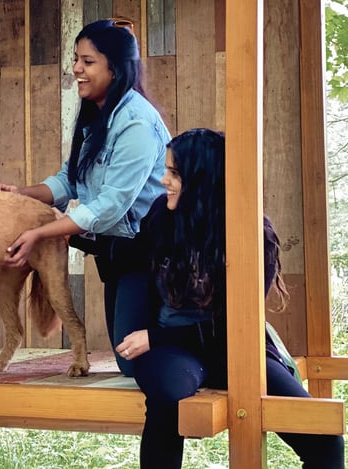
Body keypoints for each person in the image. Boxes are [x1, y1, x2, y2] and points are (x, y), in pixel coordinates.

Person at [114, 128, 345, 469]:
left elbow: (236, 325)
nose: (163, 180)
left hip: (234, 346)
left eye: (174, 173)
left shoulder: (255, 233)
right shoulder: (163, 214)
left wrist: (154, 338)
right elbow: (127, 255)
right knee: (166, 397)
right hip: (172, 352)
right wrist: (60, 232)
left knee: (326, 441)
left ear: (203, 179)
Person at [0, 18, 170, 375]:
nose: (76, 69)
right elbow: (68, 181)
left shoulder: (136, 123)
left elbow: (110, 205)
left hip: (149, 254)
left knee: (132, 361)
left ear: (115, 69)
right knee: (127, 354)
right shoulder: (98, 116)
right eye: (76, 59)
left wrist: (40, 233)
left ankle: (194, 349)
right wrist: (20, 196)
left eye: (87, 61)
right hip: (116, 253)